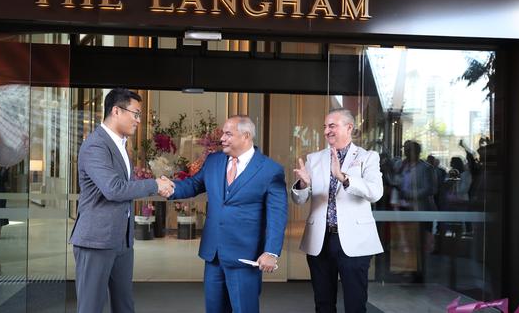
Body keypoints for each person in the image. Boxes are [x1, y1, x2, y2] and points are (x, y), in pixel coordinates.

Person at [69, 88, 175, 313]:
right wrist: (155, 184)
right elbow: (114, 189)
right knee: (91, 307)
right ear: (116, 111)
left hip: (121, 241)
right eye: (135, 114)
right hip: (96, 241)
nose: (138, 120)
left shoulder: (121, 145)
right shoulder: (96, 145)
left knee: (125, 305)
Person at [171, 115, 288, 313]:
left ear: (246, 136)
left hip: (245, 256)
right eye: (222, 133)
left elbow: (277, 215)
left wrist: (271, 252)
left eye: (228, 134)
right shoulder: (214, 161)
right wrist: (168, 188)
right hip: (213, 254)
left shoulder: (270, 170)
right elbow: (193, 185)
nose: (222, 138)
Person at [291, 108, 383, 313]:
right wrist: (303, 185)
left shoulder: (368, 157)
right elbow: (300, 200)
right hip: (320, 239)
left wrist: (344, 178)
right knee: (323, 303)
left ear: (349, 127)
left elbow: (375, 192)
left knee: (355, 304)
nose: (326, 131)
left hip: (355, 240)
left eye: (332, 126)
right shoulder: (314, 159)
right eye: (325, 126)